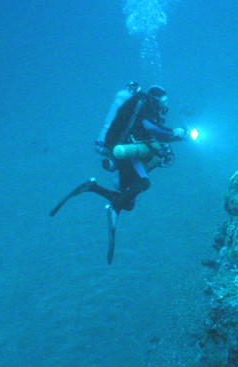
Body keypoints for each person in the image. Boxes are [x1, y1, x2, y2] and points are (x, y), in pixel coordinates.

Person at [50, 84, 190, 263]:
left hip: (122, 147)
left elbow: (150, 132)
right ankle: (113, 206)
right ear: (156, 99)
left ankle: (93, 187)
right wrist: (175, 132)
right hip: (122, 148)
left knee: (128, 201)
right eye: (164, 100)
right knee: (143, 183)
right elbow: (150, 127)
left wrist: (173, 139)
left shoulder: (142, 105)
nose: (167, 104)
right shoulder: (144, 105)